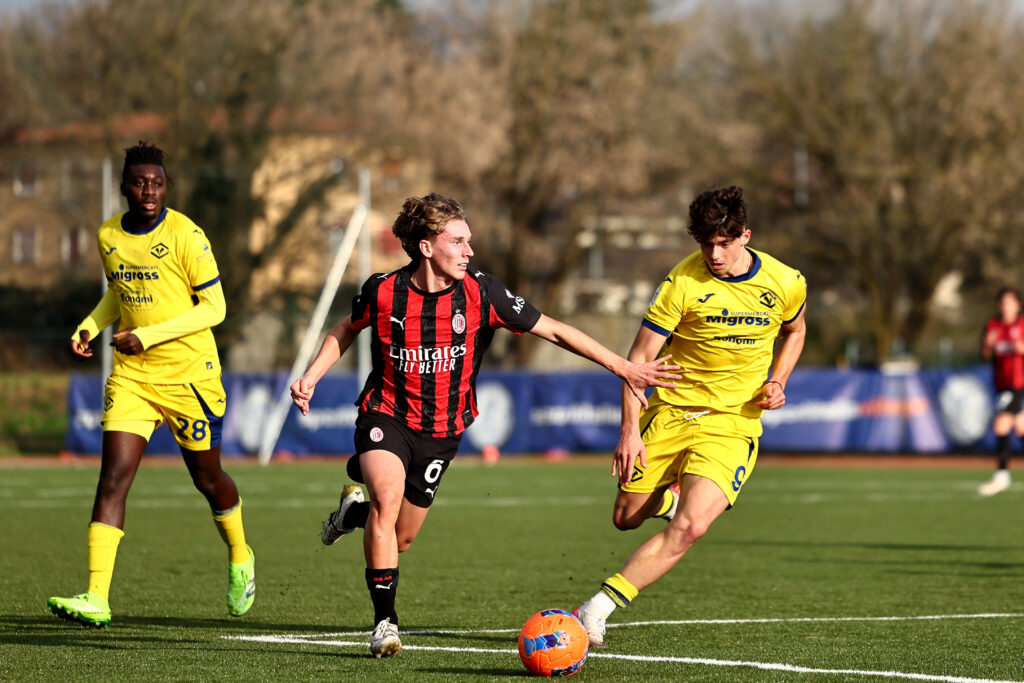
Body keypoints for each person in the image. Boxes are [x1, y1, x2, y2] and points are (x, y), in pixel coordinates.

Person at [289, 192, 679, 658]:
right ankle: (385, 624)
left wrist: (623, 367)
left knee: (401, 536)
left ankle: (352, 513)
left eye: (469, 240)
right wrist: (311, 375)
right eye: (458, 241)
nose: (469, 250)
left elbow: (554, 329)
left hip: (442, 433)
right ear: (427, 247)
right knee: (387, 499)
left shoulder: (482, 292)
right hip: (385, 415)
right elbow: (346, 329)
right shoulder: (383, 290)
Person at [573, 186, 807, 647]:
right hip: (672, 412)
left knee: (693, 527)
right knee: (625, 517)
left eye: (723, 242)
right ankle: (668, 501)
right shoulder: (682, 283)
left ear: (745, 235)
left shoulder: (785, 281)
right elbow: (637, 360)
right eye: (705, 244)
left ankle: (596, 609)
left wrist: (777, 381)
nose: (714, 254)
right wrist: (629, 433)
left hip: (733, 422)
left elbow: (796, 330)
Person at [47, 142, 255, 628]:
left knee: (208, 480)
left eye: (157, 183)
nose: (149, 191)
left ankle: (241, 556)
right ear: (124, 186)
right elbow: (120, 293)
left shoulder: (187, 235)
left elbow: (215, 309)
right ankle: (97, 596)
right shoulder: (107, 236)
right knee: (113, 477)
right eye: (140, 182)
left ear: (167, 187)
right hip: (133, 375)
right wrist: (90, 324)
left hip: (191, 377)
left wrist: (147, 335)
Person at [978, 287, 1024, 496]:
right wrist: (988, 345)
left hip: (1018, 383)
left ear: (1017, 305)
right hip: (1002, 384)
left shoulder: (1022, 324)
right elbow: (985, 354)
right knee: (1021, 427)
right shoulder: (993, 326)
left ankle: (1002, 475)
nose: (1005, 306)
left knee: (1001, 425)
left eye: (1009, 302)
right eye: (1002, 303)